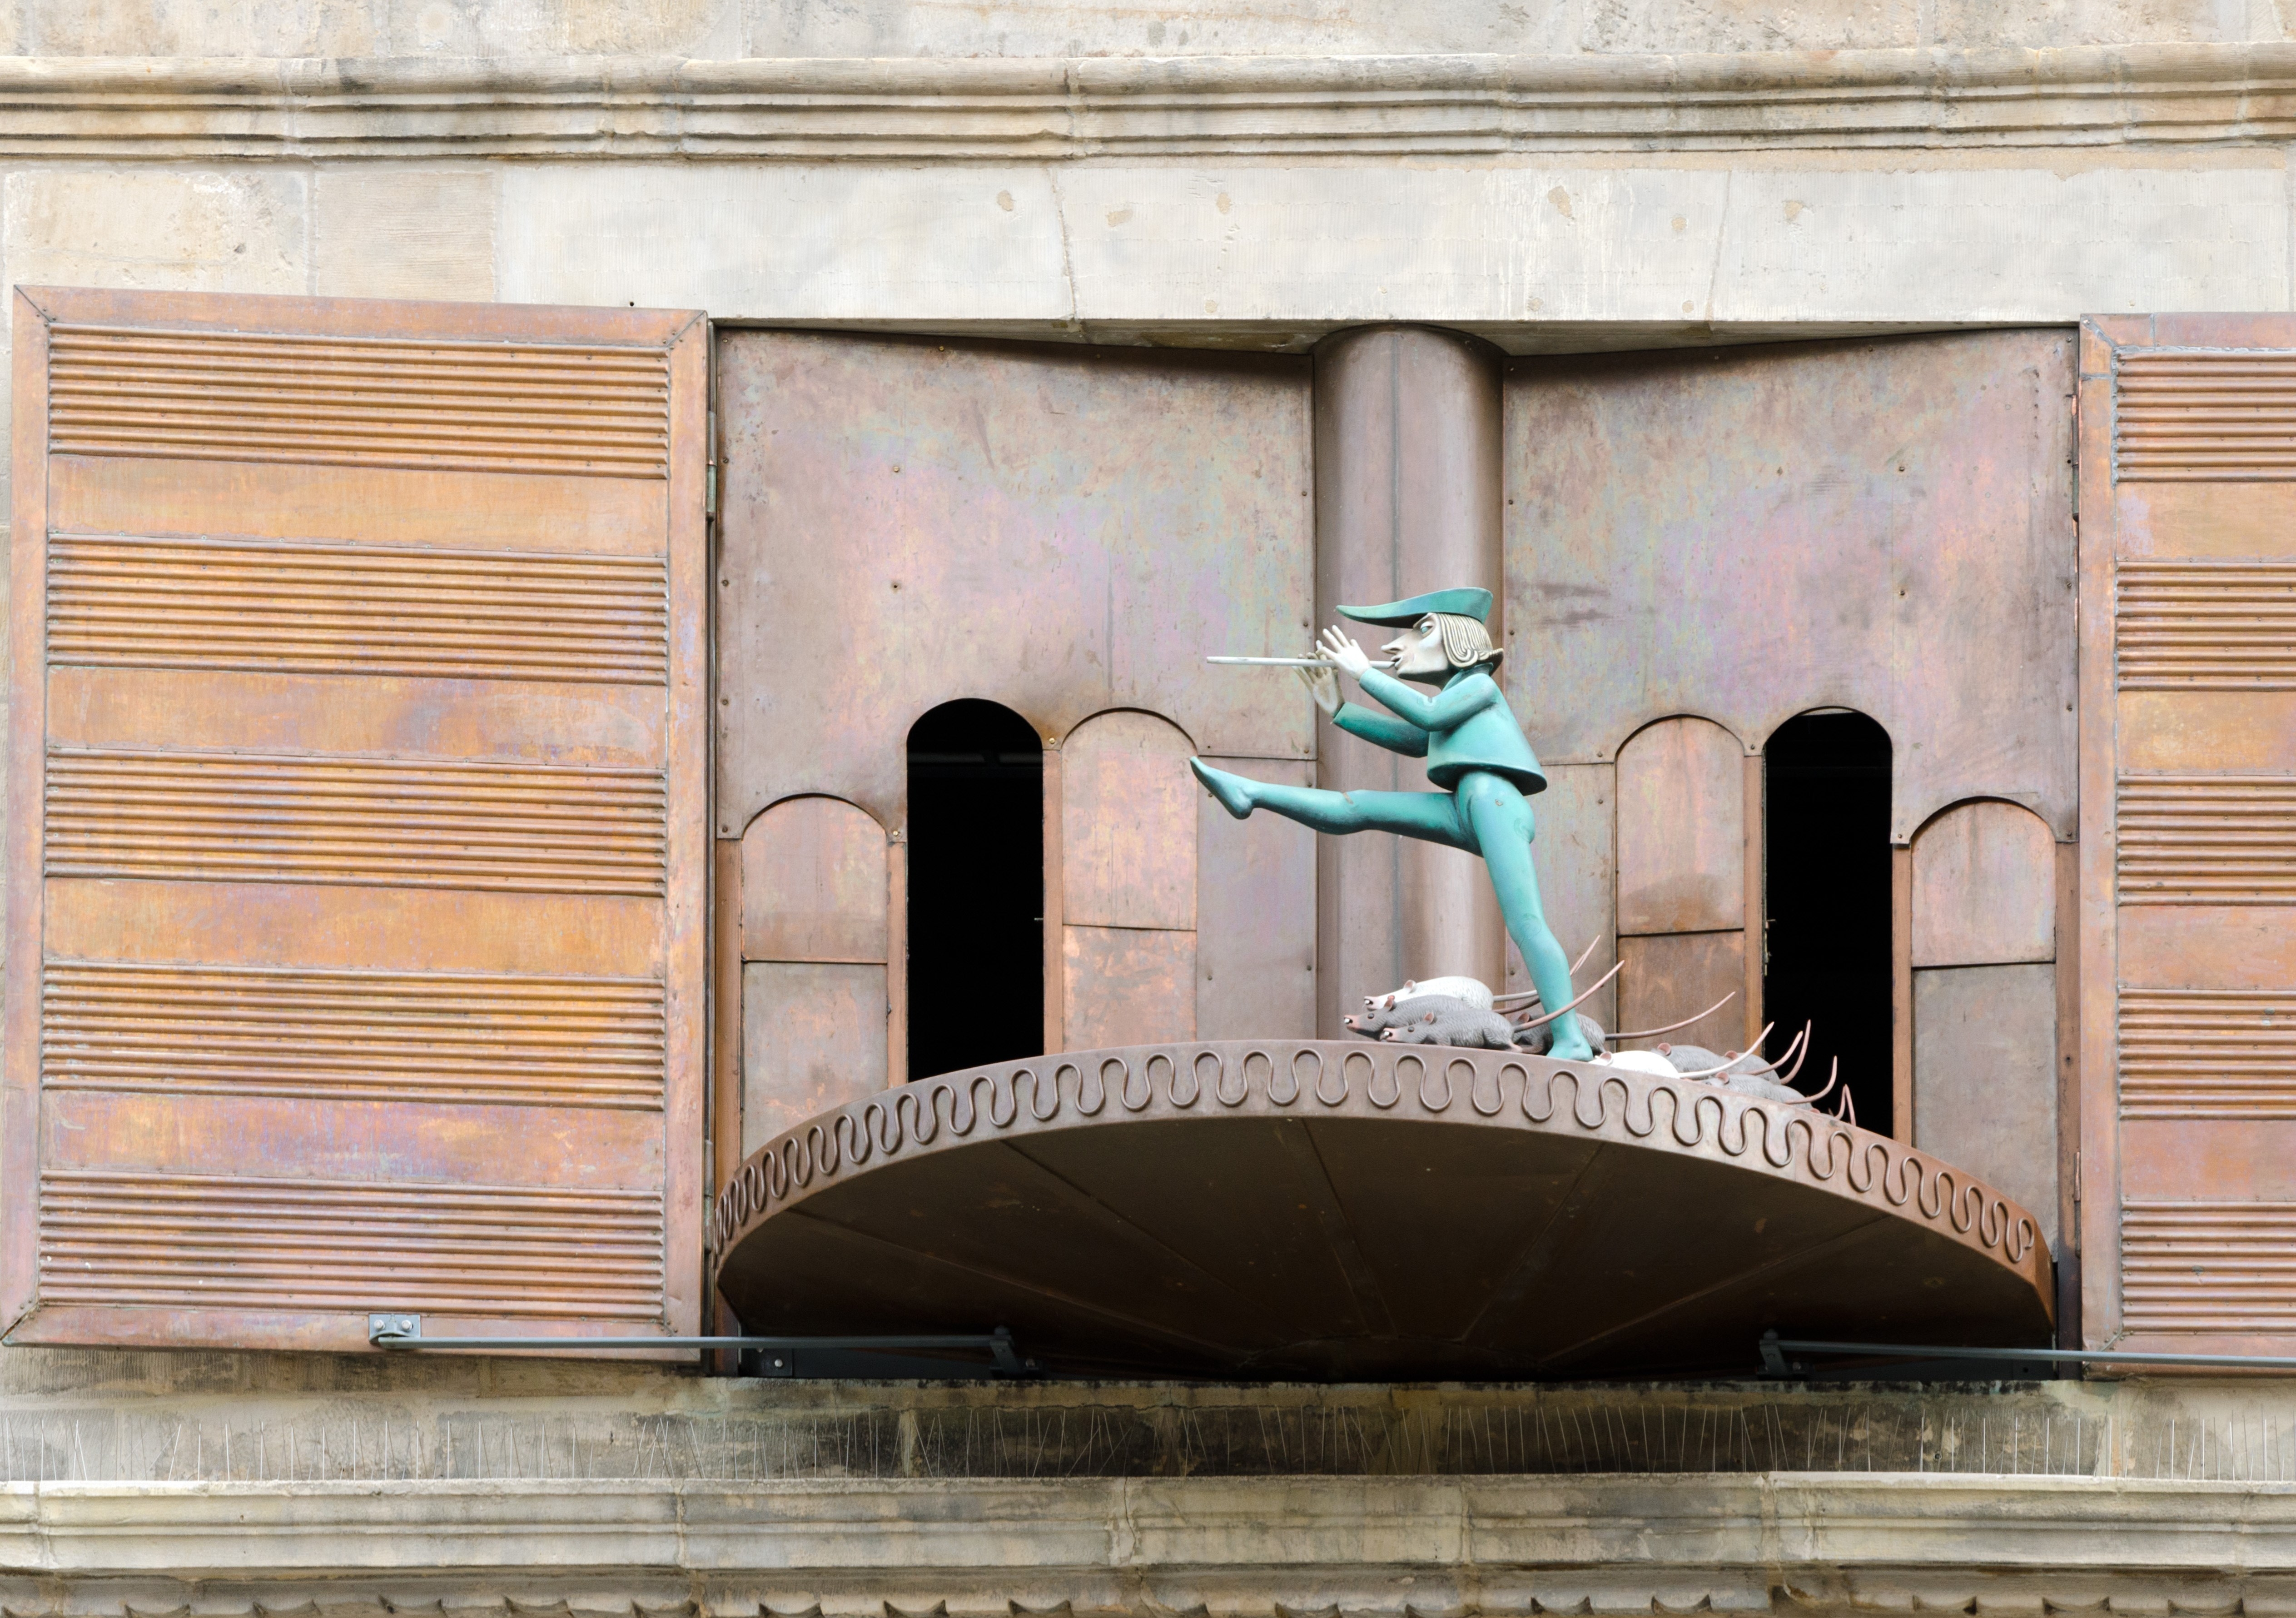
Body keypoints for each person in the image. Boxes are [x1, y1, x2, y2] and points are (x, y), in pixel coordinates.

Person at [1189, 587, 1595, 1062]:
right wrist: (1339, 708)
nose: (1393, 647)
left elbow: (1427, 714)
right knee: (1358, 806)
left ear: (1457, 640)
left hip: (1493, 802)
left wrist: (1362, 672)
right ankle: (1250, 793)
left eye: (1418, 631)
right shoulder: (1453, 701)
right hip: (1464, 803)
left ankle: (1569, 1039)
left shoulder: (1479, 687)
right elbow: (1416, 738)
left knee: (1526, 924)